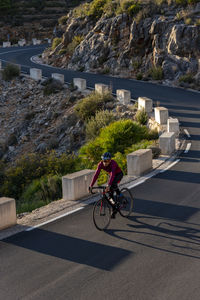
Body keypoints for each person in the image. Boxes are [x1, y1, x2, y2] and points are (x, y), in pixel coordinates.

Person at [89, 152, 123, 218]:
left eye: (107, 161)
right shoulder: (100, 164)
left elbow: (113, 174)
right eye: (104, 160)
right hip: (111, 176)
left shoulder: (113, 163)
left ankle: (120, 196)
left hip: (118, 174)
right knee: (109, 193)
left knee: (112, 185)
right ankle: (114, 206)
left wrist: (109, 185)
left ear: (110, 160)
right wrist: (91, 185)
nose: (105, 162)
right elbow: (96, 175)